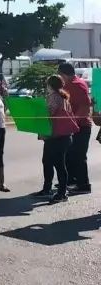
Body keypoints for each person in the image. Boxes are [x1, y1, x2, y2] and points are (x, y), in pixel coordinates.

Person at [38, 75, 79, 203]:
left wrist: (35, 107)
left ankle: (61, 193)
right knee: (50, 161)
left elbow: (48, 113)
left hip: (56, 136)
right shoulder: (63, 97)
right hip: (64, 136)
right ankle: (49, 188)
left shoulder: (54, 97)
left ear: (50, 85)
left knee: (58, 164)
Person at [57, 63, 92, 194]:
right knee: (69, 155)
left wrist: (73, 122)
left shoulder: (77, 84)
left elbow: (85, 106)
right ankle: (71, 180)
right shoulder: (69, 84)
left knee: (79, 156)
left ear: (63, 74)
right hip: (73, 126)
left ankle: (83, 184)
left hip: (81, 126)